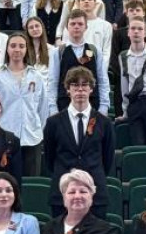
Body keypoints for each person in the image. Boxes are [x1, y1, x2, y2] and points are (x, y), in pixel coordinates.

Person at [43, 68, 114, 219]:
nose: (80, 89)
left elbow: (107, 159)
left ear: (91, 89)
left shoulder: (104, 123)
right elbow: (49, 158)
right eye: (75, 85)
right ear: (67, 89)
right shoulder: (53, 122)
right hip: (62, 195)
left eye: (84, 85)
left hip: (95, 193)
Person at [0, 32, 50, 177]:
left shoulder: (36, 77)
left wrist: (37, 129)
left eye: (21, 46)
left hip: (32, 139)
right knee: (6, 182)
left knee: (30, 183)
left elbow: (43, 108)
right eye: (13, 46)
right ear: (7, 49)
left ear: (27, 49)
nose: (17, 49)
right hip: (5, 139)